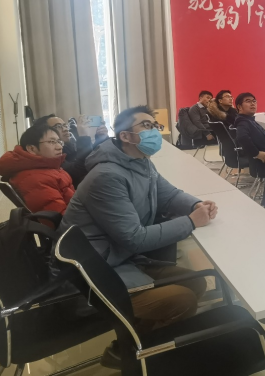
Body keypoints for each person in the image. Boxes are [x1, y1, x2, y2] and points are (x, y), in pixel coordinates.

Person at [58, 106, 217, 367]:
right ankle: (143, 359)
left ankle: (132, 344)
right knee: (182, 300)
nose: (154, 130)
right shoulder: (106, 176)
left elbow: (169, 194)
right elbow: (135, 238)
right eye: (146, 125)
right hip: (96, 271)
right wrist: (190, 222)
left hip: (119, 258)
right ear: (125, 136)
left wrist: (195, 205)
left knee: (196, 282)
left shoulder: (140, 162)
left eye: (155, 125)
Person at [0, 124, 74, 214]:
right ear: (32, 149)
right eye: (52, 142)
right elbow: (60, 216)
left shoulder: (48, 168)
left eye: (59, 141)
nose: (59, 147)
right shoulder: (35, 179)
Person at [33, 114, 109, 188]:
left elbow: (93, 157)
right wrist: (83, 137)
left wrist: (101, 138)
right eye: (58, 126)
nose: (65, 129)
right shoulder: (51, 153)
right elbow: (81, 168)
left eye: (65, 125)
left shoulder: (69, 146)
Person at [234, 93, 265, 175]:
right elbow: (242, 137)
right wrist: (256, 153)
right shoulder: (243, 122)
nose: (252, 103)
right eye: (248, 101)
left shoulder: (249, 119)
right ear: (239, 107)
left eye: (254, 101)